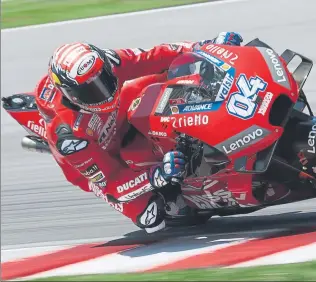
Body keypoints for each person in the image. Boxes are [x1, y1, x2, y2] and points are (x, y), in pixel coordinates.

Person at [34, 32, 243, 233]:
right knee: (151, 217)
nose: (104, 91)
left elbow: (154, 56)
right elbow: (112, 184)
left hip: (123, 110)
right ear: (71, 95)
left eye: (104, 79)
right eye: (92, 90)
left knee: (167, 76)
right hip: (103, 161)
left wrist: (205, 47)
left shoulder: (110, 61)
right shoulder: (70, 137)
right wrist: (156, 175)